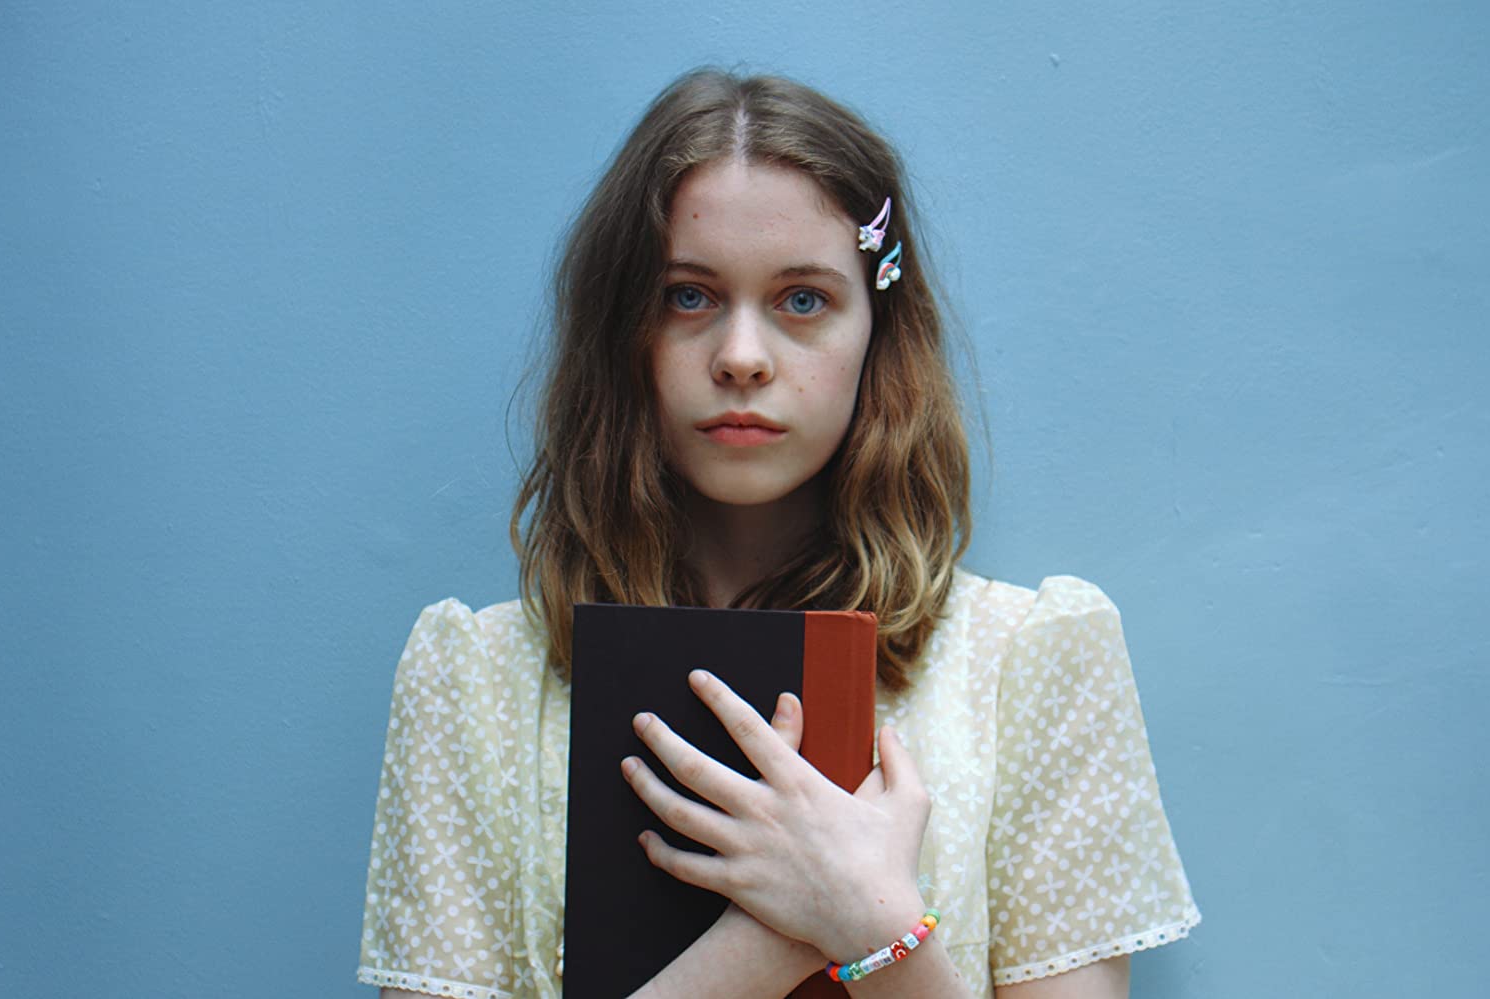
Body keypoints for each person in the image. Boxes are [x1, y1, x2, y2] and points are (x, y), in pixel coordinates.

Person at [355, 67, 1201, 999]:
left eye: (803, 300)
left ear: (877, 331)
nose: (742, 357)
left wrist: (872, 925)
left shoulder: (1029, 658)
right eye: (688, 296)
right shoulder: (473, 679)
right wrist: (762, 942)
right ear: (620, 330)